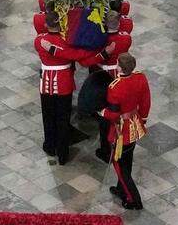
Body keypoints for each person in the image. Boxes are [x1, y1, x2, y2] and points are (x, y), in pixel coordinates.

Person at [36, 13, 107, 164]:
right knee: (62, 118)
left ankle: (50, 145)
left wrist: (53, 50)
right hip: (63, 84)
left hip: (46, 84)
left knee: (48, 116)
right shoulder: (66, 42)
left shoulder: (39, 41)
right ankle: (63, 153)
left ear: (46, 25)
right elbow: (77, 54)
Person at [100, 52, 151, 210]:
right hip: (135, 124)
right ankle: (121, 189)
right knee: (127, 160)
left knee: (120, 166)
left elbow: (114, 114)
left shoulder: (115, 87)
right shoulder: (140, 77)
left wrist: (102, 112)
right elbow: (145, 101)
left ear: (119, 67)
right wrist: (142, 120)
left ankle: (133, 199)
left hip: (121, 130)